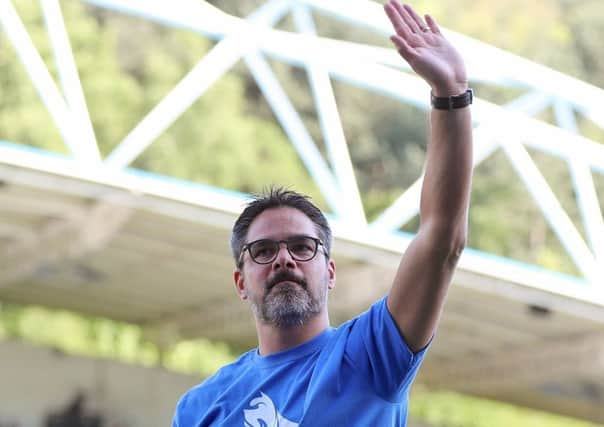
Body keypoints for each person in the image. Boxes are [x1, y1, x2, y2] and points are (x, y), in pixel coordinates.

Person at [173, 1, 473, 425]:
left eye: (302, 246)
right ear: (241, 281)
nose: (283, 259)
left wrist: (453, 95)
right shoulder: (202, 407)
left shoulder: (370, 356)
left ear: (329, 271)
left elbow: (442, 240)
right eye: (262, 250)